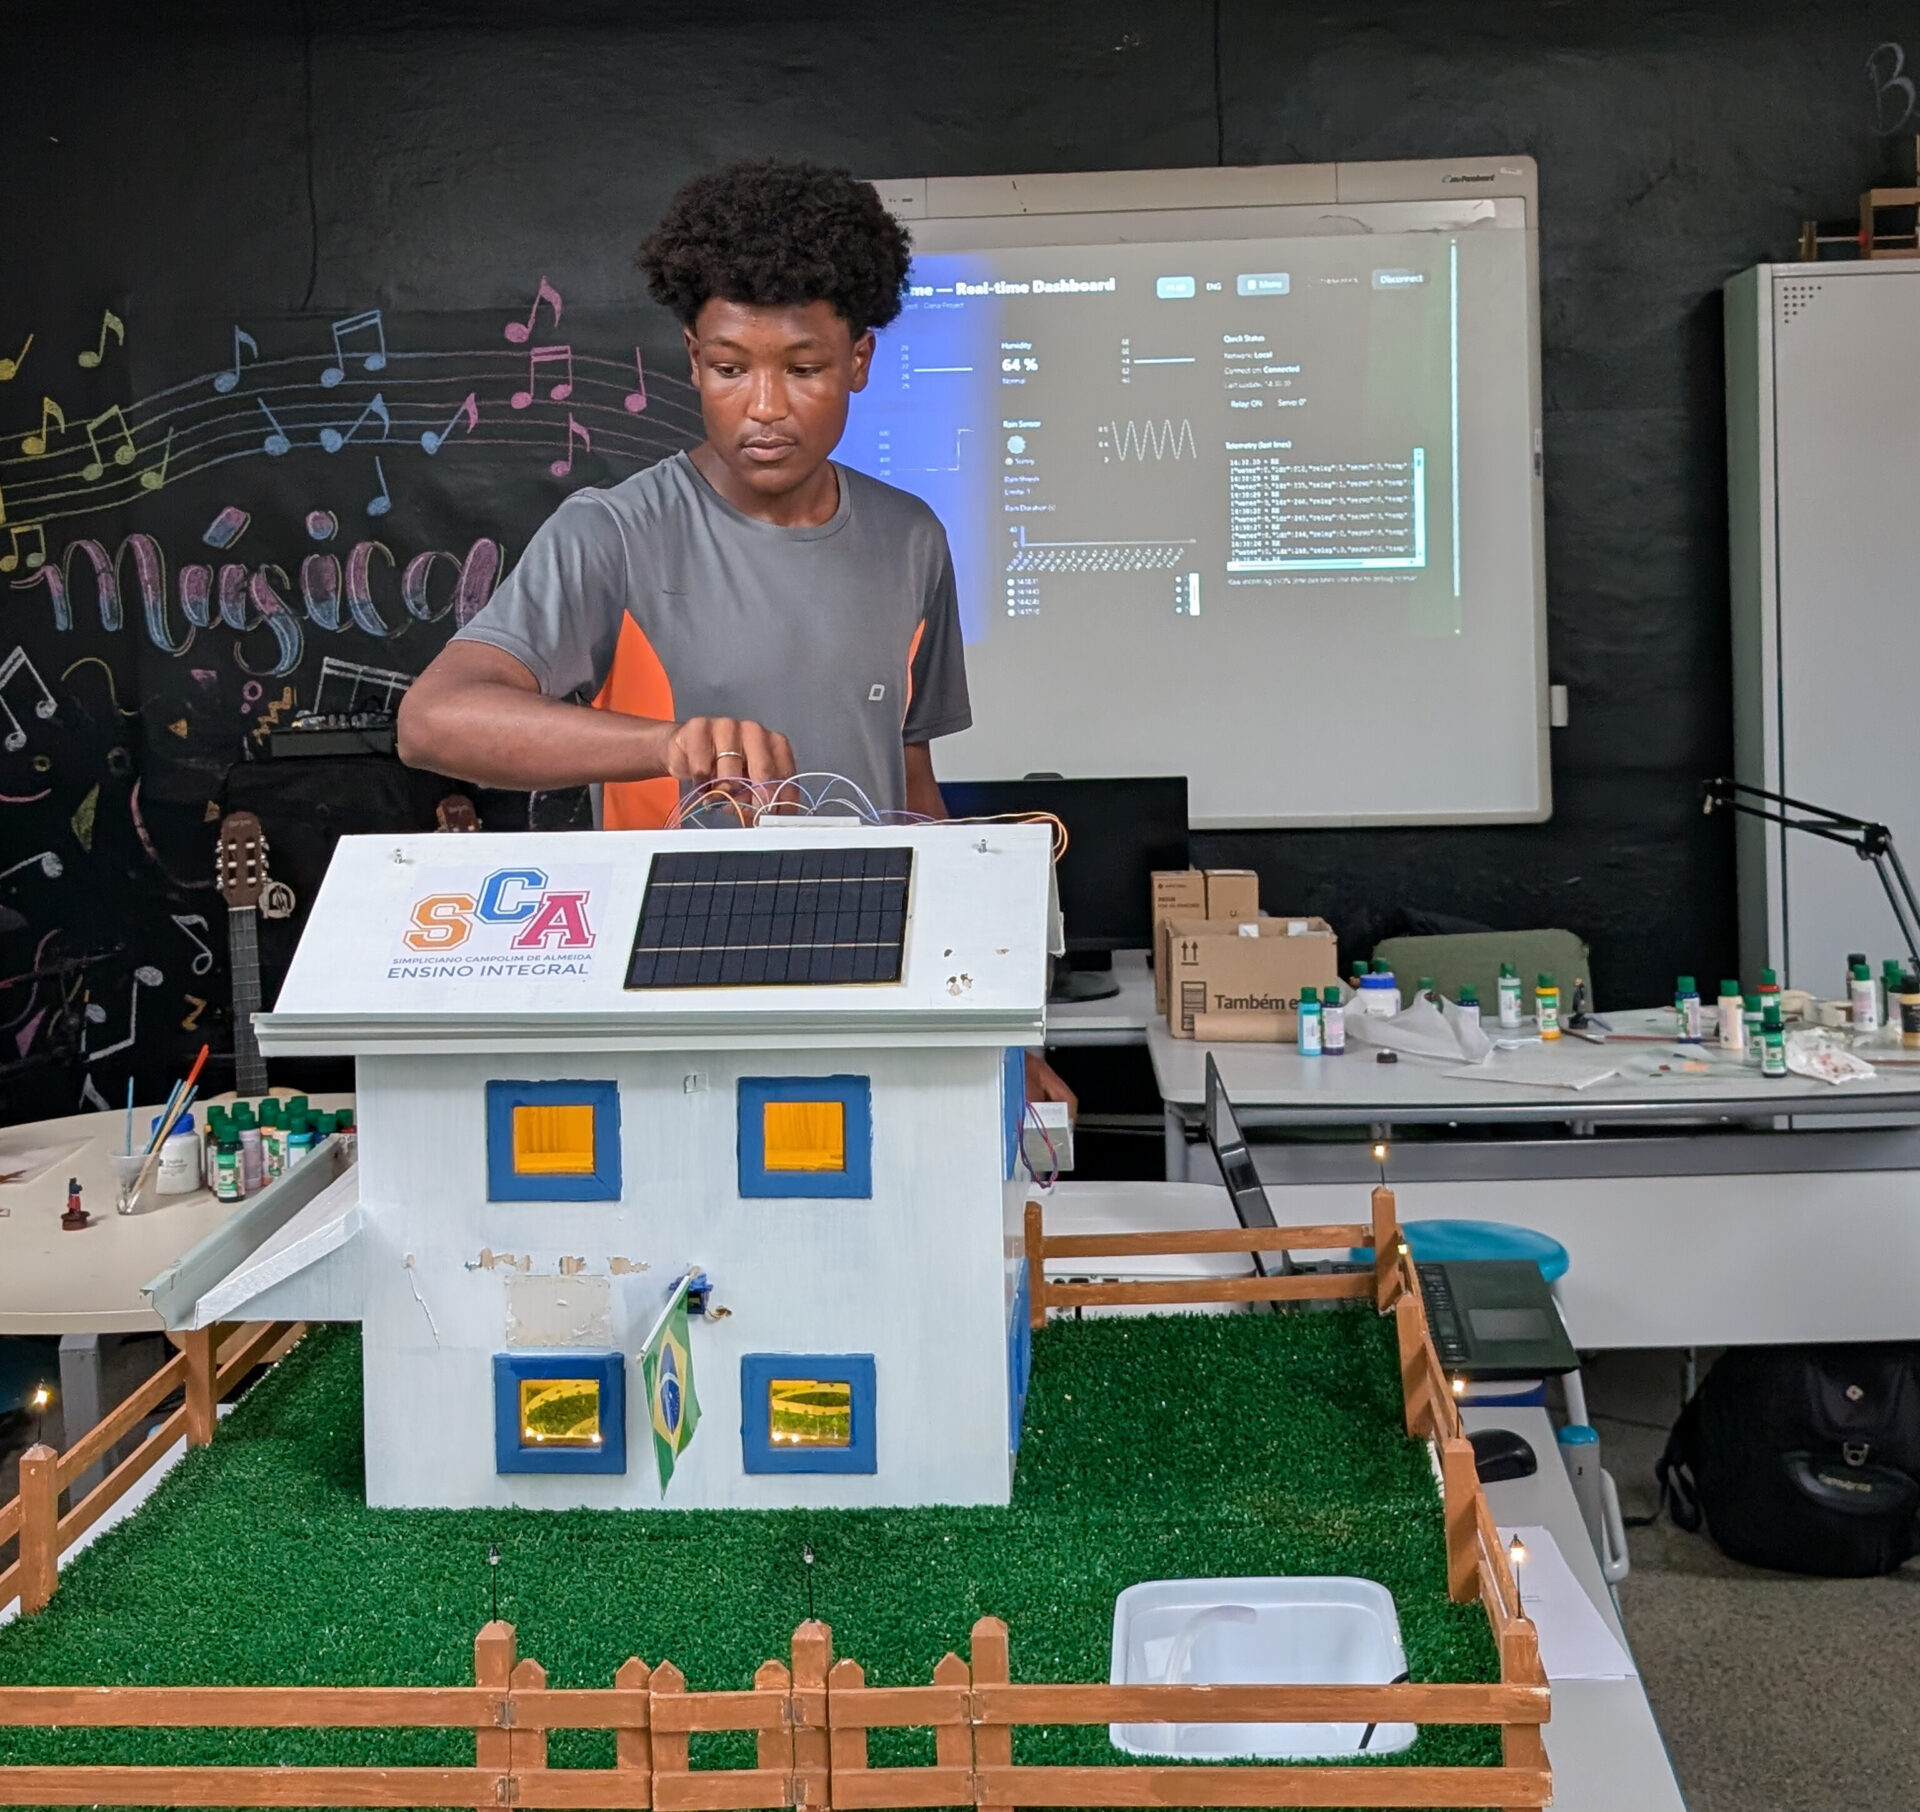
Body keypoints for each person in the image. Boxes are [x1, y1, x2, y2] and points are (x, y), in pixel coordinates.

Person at [396, 158, 1072, 1107]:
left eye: (803, 369)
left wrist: (1005, 1031)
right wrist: (666, 745)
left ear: (861, 360)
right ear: (690, 355)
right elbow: (434, 721)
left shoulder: (911, 540)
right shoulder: (615, 532)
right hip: (672, 1018)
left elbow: (911, 788)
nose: (763, 406)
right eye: (727, 367)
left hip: (870, 1008)